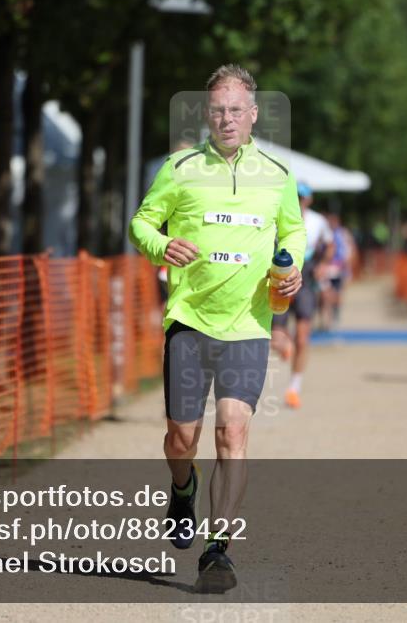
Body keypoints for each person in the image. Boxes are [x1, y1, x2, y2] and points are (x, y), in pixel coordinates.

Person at [129, 64, 307, 593]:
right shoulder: (179, 168)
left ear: (253, 115)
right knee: (182, 439)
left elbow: (293, 230)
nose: (227, 119)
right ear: (208, 115)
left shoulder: (277, 174)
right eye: (218, 110)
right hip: (189, 320)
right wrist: (162, 246)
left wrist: (291, 266)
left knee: (233, 432)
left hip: (250, 324)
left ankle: (218, 550)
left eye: (237, 110)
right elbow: (141, 221)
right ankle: (183, 489)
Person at [269, 182, 333, 409]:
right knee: (277, 339)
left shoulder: (318, 221)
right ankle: (286, 348)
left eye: (302, 197)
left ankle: (294, 388)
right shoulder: (276, 216)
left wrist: (324, 264)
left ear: (309, 199)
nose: (298, 200)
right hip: (280, 278)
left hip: (306, 278)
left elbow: (329, 243)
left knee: (303, 338)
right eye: (294, 196)